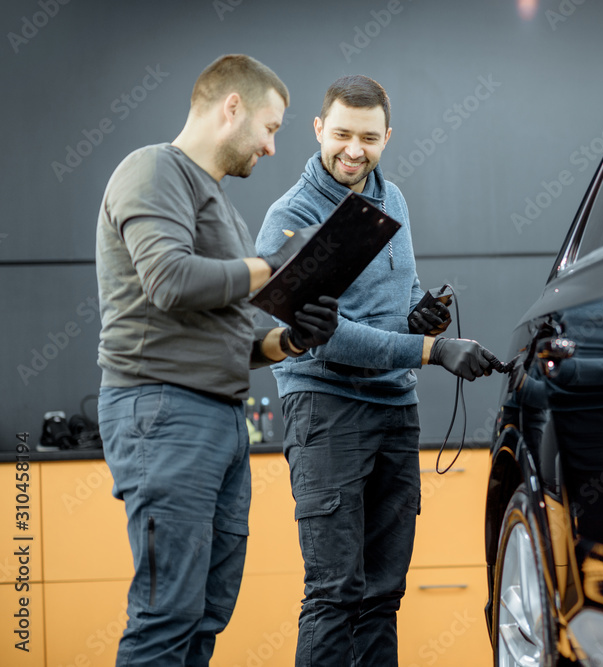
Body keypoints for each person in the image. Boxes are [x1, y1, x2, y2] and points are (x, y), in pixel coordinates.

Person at [96, 54, 340, 666]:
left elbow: (225, 333)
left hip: (220, 418)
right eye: (272, 127)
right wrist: (285, 265)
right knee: (167, 612)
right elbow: (171, 281)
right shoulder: (154, 170)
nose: (272, 146)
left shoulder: (223, 208)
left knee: (205, 612)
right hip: (164, 410)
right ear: (232, 107)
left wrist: (290, 341)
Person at [255, 74, 499, 666]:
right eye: (341, 134)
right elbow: (324, 339)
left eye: (368, 137)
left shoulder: (394, 201)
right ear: (318, 130)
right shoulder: (290, 218)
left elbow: (398, 293)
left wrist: (420, 317)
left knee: (383, 594)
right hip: (327, 410)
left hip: (394, 410)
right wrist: (432, 353)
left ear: (387, 136)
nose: (353, 149)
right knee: (335, 593)